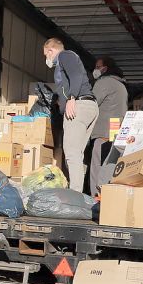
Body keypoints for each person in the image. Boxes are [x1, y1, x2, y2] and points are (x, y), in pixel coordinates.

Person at [43, 37, 99, 194]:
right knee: (78, 154)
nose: (46, 58)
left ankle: (75, 195)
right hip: (89, 106)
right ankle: (78, 192)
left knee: (72, 153)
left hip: (79, 106)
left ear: (50, 50)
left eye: (46, 54)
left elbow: (76, 76)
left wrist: (72, 98)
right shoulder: (67, 59)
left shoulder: (65, 56)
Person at [89, 56, 129, 197]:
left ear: (105, 68)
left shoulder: (104, 82)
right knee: (110, 163)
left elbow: (92, 103)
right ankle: (108, 195)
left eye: (98, 67)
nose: (95, 70)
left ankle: (96, 198)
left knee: (97, 165)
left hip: (103, 130)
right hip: (115, 128)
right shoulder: (121, 85)